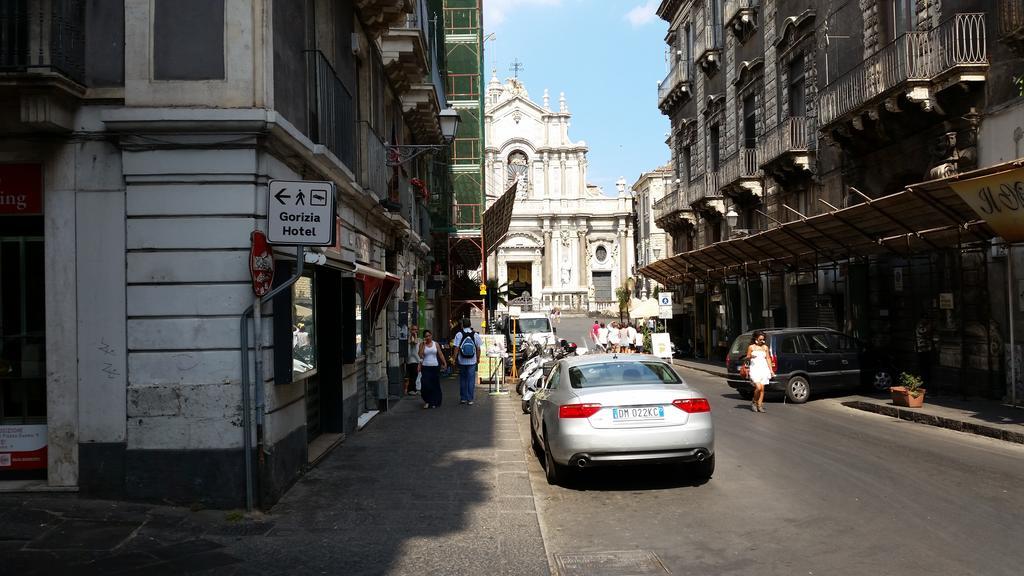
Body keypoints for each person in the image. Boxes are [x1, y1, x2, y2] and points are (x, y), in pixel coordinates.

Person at [453, 318, 484, 405]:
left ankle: (463, 398)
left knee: (463, 379)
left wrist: (454, 358)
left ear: (462, 325)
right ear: (470, 324)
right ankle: (470, 399)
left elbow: (456, 347)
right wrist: (478, 358)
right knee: (471, 380)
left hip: (462, 360)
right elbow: (478, 348)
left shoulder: (459, 334)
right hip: (472, 361)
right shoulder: (475, 335)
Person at [745, 330, 774, 413]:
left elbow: (768, 358)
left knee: (762, 389)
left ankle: (760, 405)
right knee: (758, 387)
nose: (762, 341)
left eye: (763, 339)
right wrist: (750, 356)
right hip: (755, 369)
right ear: (756, 338)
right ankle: (754, 401)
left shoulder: (765, 347)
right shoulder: (751, 347)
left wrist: (771, 370)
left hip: (764, 369)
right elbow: (747, 358)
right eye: (760, 339)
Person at [418, 330, 447, 408]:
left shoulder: (436, 344)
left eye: (429, 336)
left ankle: (434, 402)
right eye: (426, 336)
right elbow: (420, 355)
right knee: (425, 385)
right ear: (424, 337)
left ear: (431, 335)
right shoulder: (422, 344)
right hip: (425, 367)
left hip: (434, 367)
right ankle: (427, 401)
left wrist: (444, 362)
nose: (428, 337)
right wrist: (423, 345)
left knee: (435, 385)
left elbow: (440, 353)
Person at [406, 324, 420, 396]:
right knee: (413, 375)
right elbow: (415, 343)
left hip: (414, 359)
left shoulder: (414, 337)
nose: (415, 331)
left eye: (416, 329)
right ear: (410, 330)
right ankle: (411, 390)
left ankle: (413, 389)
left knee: (414, 375)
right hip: (412, 360)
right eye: (413, 329)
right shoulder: (411, 337)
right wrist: (415, 335)